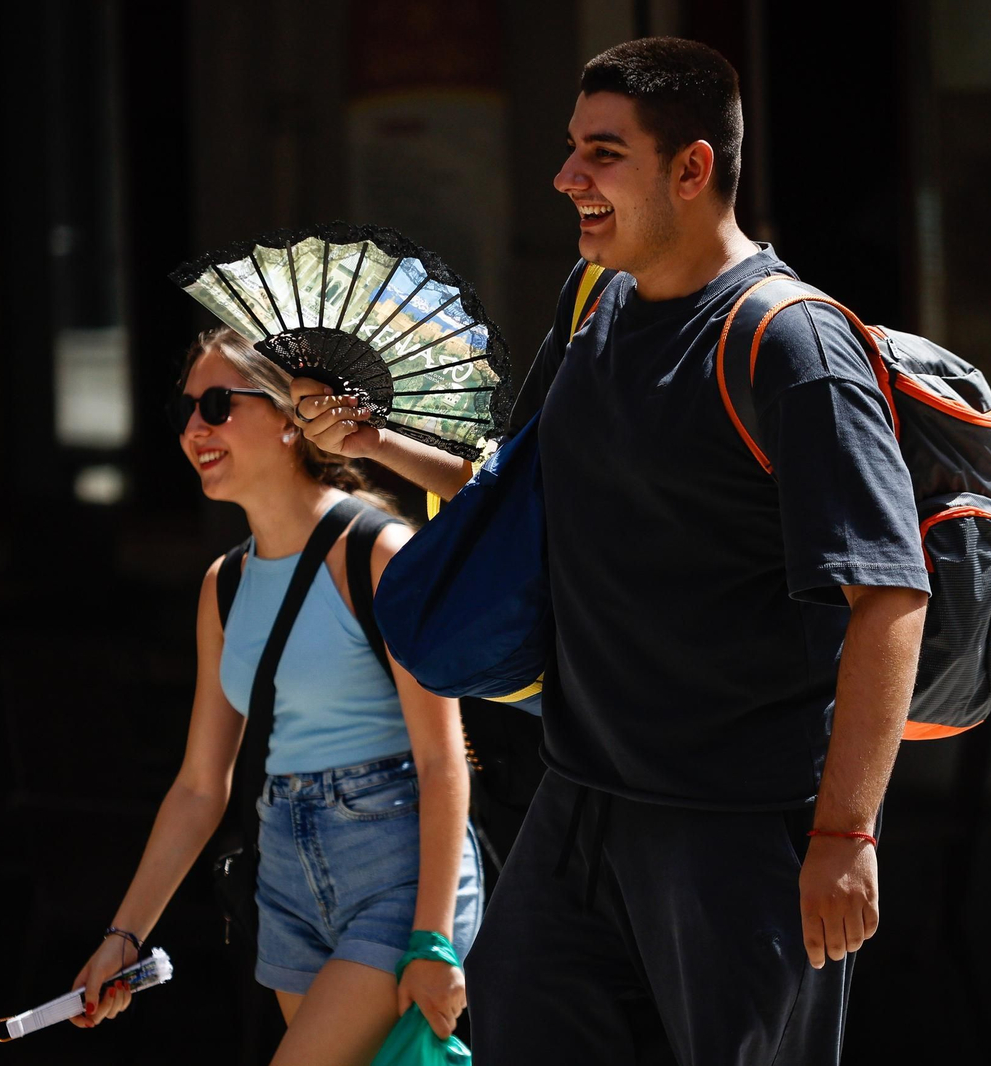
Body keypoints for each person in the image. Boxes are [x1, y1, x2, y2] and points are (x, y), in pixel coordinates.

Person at [294, 37, 929, 1065]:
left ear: (692, 168)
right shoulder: (593, 307)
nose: (566, 179)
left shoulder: (791, 348)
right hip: (580, 802)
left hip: (734, 827)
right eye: (570, 150)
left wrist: (846, 834)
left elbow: (890, 596)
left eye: (602, 154)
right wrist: (372, 443)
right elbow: (524, 502)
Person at [70, 326, 482, 1065]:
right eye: (187, 410)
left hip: (396, 870)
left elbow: (442, 758)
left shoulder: (377, 552)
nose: (196, 428)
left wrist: (433, 939)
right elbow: (201, 787)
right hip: (287, 880)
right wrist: (122, 939)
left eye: (221, 404)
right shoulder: (223, 586)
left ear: (296, 417)